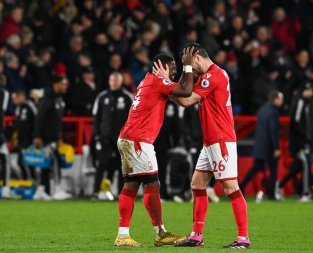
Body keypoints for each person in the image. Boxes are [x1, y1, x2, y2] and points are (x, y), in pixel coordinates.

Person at [164, 42, 250, 249]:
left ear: (197, 57)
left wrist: (162, 85)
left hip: (221, 140)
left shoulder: (214, 76)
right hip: (210, 142)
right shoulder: (207, 77)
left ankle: (243, 238)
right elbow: (184, 93)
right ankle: (196, 236)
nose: (190, 68)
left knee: (231, 188)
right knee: (197, 185)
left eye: (190, 63)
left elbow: (185, 101)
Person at [114, 48, 196, 247]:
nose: (175, 71)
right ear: (163, 67)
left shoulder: (148, 81)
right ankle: (159, 232)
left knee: (131, 186)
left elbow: (181, 98)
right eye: (173, 67)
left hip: (129, 138)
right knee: (153, 184)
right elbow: (186, 91)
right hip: (138, 140)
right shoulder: (158, 82)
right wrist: (188, 66)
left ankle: (123, 235)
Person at [92, 72, 133, 200]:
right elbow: (96, 117)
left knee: (122, 167)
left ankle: (122, 193)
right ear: (109, 81)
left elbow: (133, 118)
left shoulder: (127, 97)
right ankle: (96, 192)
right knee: (102, 164)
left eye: (116, 80)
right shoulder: (102, 97)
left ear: (121, 82)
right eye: (112, 80)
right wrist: (96, 134)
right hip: (105, 137)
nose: (114, 83)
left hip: (122, 139)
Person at [239, 90, 284, 200]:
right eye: (281, 99)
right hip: (269, 147)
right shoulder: (273, 111)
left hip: (260, 144)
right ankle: (272, 195)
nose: (282, 101)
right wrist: (276, 148)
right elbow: (273, 131)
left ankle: (241, 185)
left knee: (256, 167)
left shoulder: (262, 109)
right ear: (276, 99)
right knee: (273, 170)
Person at [276, 83, 313, 202]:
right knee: (305, 165)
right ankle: (305, 193)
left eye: (311, 90)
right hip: (301, 142)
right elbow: (296, 123)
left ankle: (280, 186)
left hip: (308, 142)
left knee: (297, 168)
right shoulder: (300, 102)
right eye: (307, 90)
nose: (309, 93)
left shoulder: (312, 104)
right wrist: (303, 141)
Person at [33, 75, 68, 200]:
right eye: (63, 84)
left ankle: (42, 190)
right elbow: (39, 118)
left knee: (46, 165)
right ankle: (57, 190)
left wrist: (59, 136)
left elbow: (57, 121)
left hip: (54, 137)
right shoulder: (48, 99)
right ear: (56, 84)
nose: (65, 86)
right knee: (55, 162)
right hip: (47, 138)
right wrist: (37, 136)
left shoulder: (59, 99)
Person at [12, 90, 37, 180]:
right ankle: (26, 181)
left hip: (30, 138)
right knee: (21, 162)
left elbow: (37, 120)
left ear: (22, 97)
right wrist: (16, 138)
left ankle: (34, 181)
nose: (15, 100)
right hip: (22, 139)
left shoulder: (30, 105)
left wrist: (36, 136)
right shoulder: (18, 109)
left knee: (29, 162)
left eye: (16, 98)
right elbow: (18, 125)